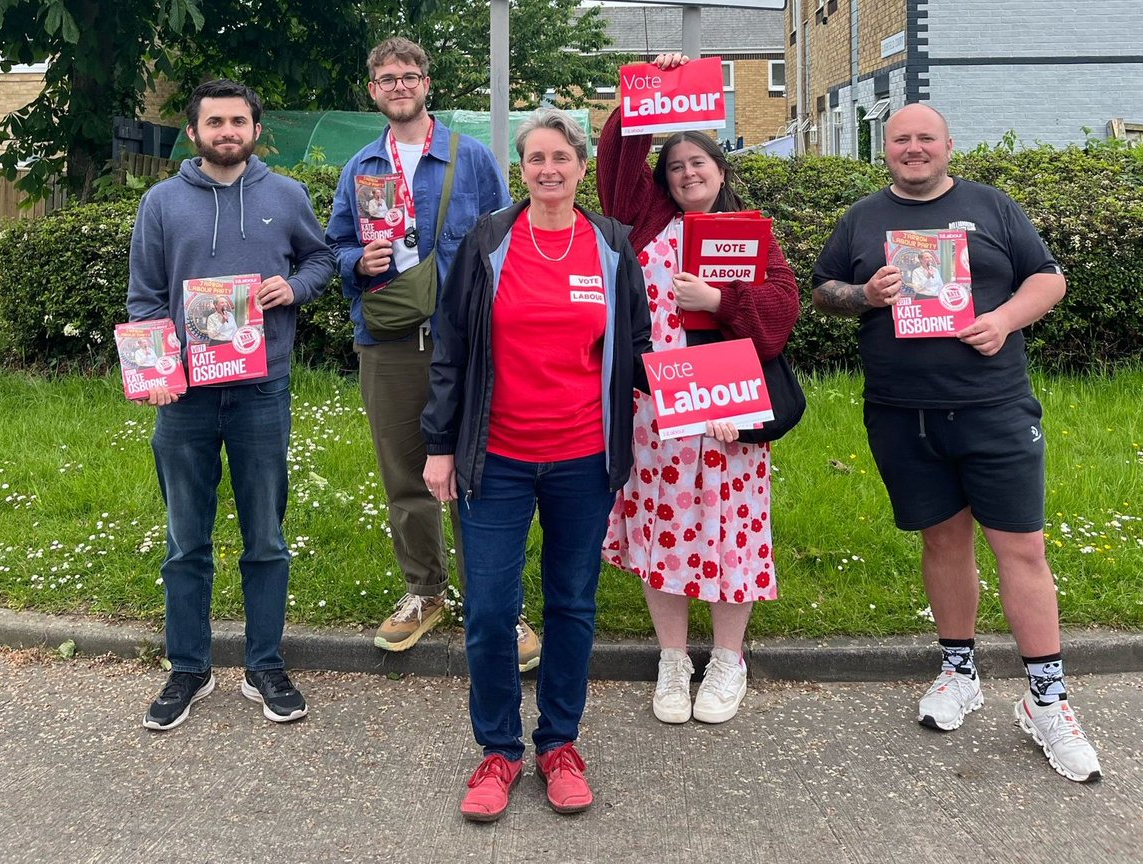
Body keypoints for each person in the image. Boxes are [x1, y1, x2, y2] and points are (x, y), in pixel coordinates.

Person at [812, 102, 1100, 784]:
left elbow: (1050, 278)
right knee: (941, 542)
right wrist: (865, 295)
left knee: (1020, 548)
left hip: (991, 408)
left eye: (924, 138)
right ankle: (958, 669)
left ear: (946, 146)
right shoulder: (861, 217)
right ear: (885, 149)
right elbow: (821, 291)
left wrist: (1000, 321)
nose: (913, 149)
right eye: (900, 139)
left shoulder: (992, 207)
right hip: (900, 413)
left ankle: (1047, 700)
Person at [420, 109, 652, 821]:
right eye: (536, 159)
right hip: (496, 458)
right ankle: (498, 750)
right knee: (490, 612)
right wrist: (437, 444)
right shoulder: (488, 242)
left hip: (583, 457)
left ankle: (558, 744)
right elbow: (452, 347)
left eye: (562, 158)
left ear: (582, 168)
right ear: (522, 169)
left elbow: (637, 342)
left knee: (571, 606)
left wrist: (691, 396)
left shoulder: (611, 245)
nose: (549, 170)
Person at [324, 38, 542, 667]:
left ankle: (496, 603)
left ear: (427, 84)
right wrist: (354, 260)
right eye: (387, 78)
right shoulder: (360, 167)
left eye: (410, 76)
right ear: (373, 90)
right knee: (405, 474)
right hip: (388, 339)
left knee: (479, 471)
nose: (400, 86)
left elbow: (506, 244)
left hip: (464, 341)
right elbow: (333, 244)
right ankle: (424, 591)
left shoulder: (470, 159)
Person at [596, 53, 800, 726]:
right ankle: (672, 658)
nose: (687, 174)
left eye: (699, 164)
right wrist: (651, 92)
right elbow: (617, 162)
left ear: (721, 170)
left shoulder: (748, 234)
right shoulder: (646, 222)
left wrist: (720, 297)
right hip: (656, 410)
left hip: (727, 414)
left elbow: (777, 319)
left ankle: (727, 660)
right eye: (676, 166)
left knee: (728, 537)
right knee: (667, 534)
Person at [127, 79, 334, 731]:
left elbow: (322, 259)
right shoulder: (161, 204)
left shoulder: (285, 195)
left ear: (254, 129)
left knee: (265, 538)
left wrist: (292, 286)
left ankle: (264, 664)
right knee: (186, 540)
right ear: (193, 131)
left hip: (260, 392)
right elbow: (145, 298)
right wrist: (158, 370)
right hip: (185, 398)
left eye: (238, 120)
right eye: (214, 121)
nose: (226, 131)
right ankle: (188, 667)